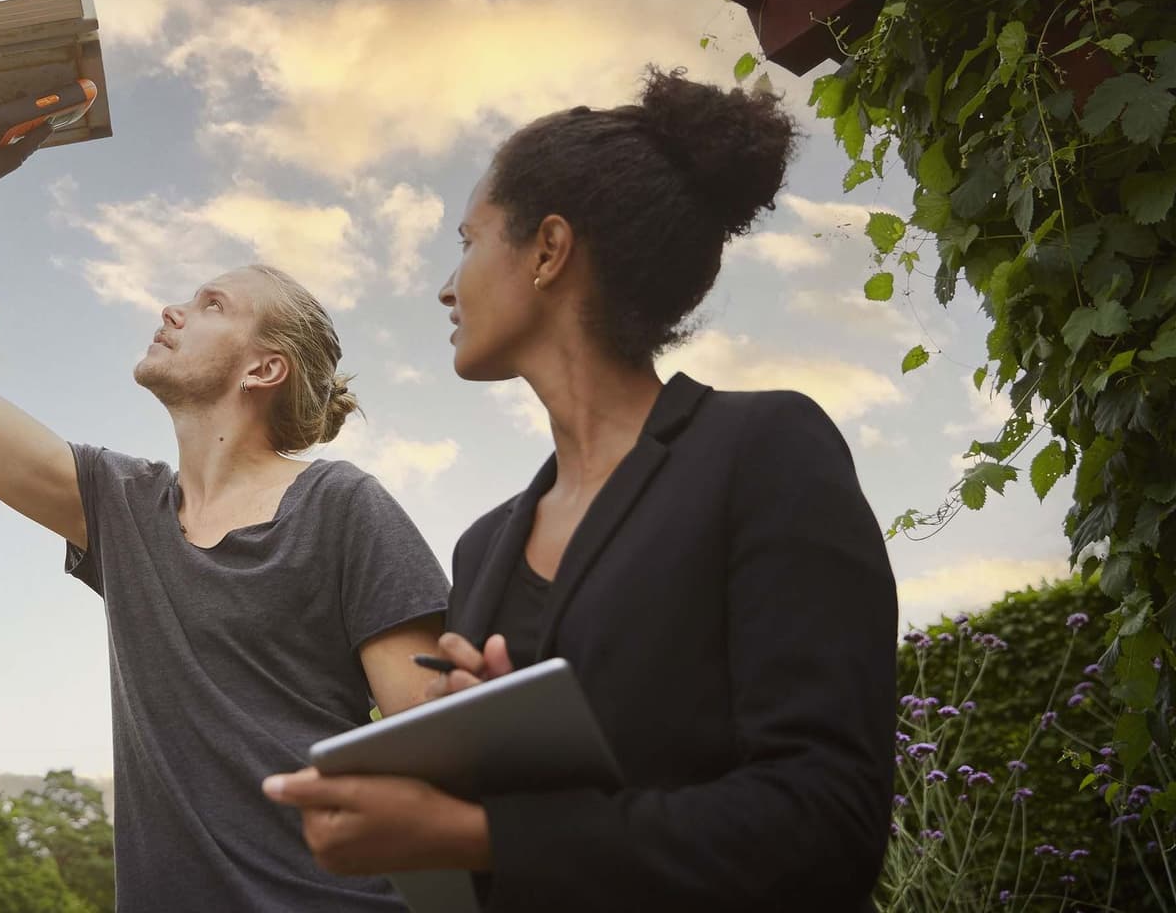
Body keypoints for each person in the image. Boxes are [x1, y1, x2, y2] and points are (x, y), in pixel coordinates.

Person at [263, 68, 899, 911]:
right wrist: (483, 759)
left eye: (468, 239)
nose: (446, 286)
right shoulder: (483, 547)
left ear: (549, 250)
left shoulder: (764, 451)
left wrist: (481, 834)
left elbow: (826, 825)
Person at [0, 103, 452, 911]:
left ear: (264, 370)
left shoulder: (343, 506)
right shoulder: (121, 509)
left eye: (212, 305)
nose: (173, 310)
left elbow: (434, 758)